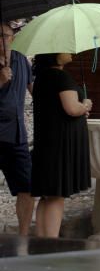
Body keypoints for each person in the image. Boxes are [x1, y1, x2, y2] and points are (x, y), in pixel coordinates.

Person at [31, 53, 92, 238]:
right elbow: (72, 108)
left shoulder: (43, 76)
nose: (70, 52)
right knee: (56, 196)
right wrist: (85, 105)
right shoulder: (60, 76)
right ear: (55, 54)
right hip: (60, 144)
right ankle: (51, 243)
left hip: (48, 141)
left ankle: (41, 242)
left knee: (47, 194)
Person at [0, 23, 35, 235]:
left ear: (13, 37)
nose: (1, 39)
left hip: (16, 135)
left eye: (4, 35)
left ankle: (23, 237)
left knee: (28, 187)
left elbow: (35, 91)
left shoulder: (22, 60)